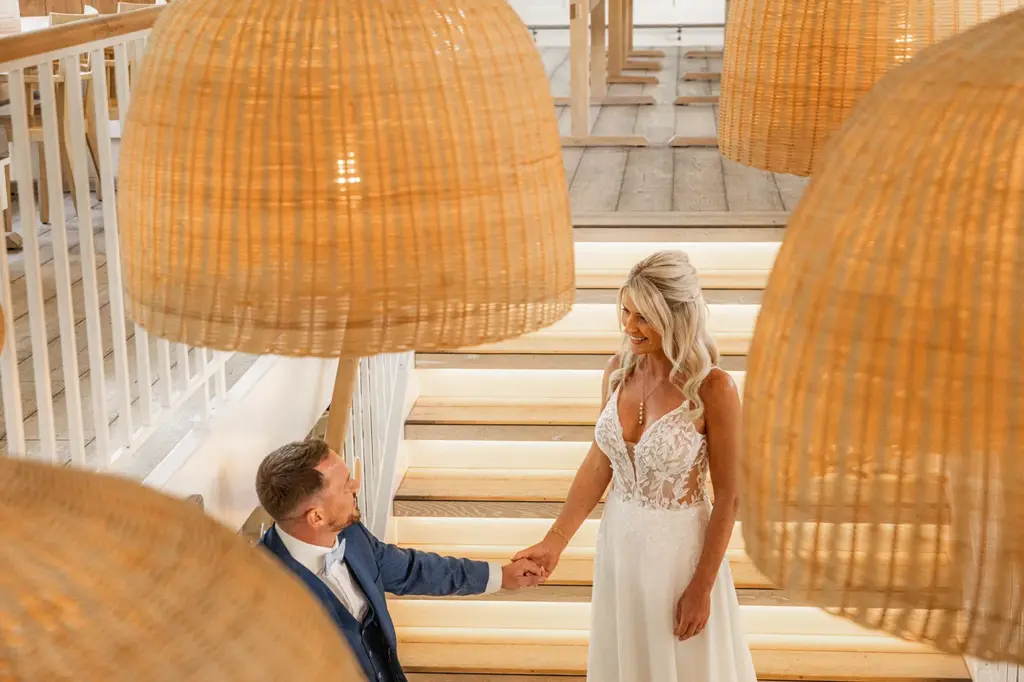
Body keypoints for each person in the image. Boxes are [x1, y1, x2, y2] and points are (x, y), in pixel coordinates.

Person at [513, 250, 757, 681]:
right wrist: (555, 542)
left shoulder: (714, 388)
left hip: (680, 555)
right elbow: (598, 463)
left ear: (676, 317)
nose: (629, 327)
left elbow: (730, 498)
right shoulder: (615, 373)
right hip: (620, 546)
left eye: (643, 317)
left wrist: (702, 586)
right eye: (625, 311)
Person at [256, 439, 546, 682]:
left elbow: (412, 570)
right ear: (316, 517)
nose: (356, 485)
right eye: (345, 486)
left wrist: (500, 576)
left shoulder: (352, 535)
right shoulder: (259, 589)